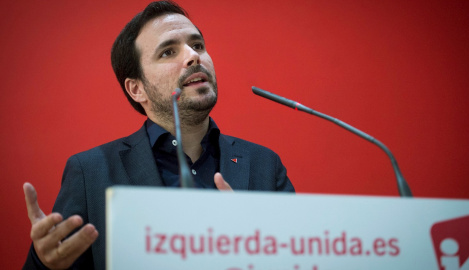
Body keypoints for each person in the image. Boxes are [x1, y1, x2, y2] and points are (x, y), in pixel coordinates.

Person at [23, 1, 294, 269]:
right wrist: (45, 263)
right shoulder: (91, 172)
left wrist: (258, 247)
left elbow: (300, 259)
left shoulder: (264, 164)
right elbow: (61, 256)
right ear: (136, 89)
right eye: (167, 52)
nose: (193, 56)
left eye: (197, 45)